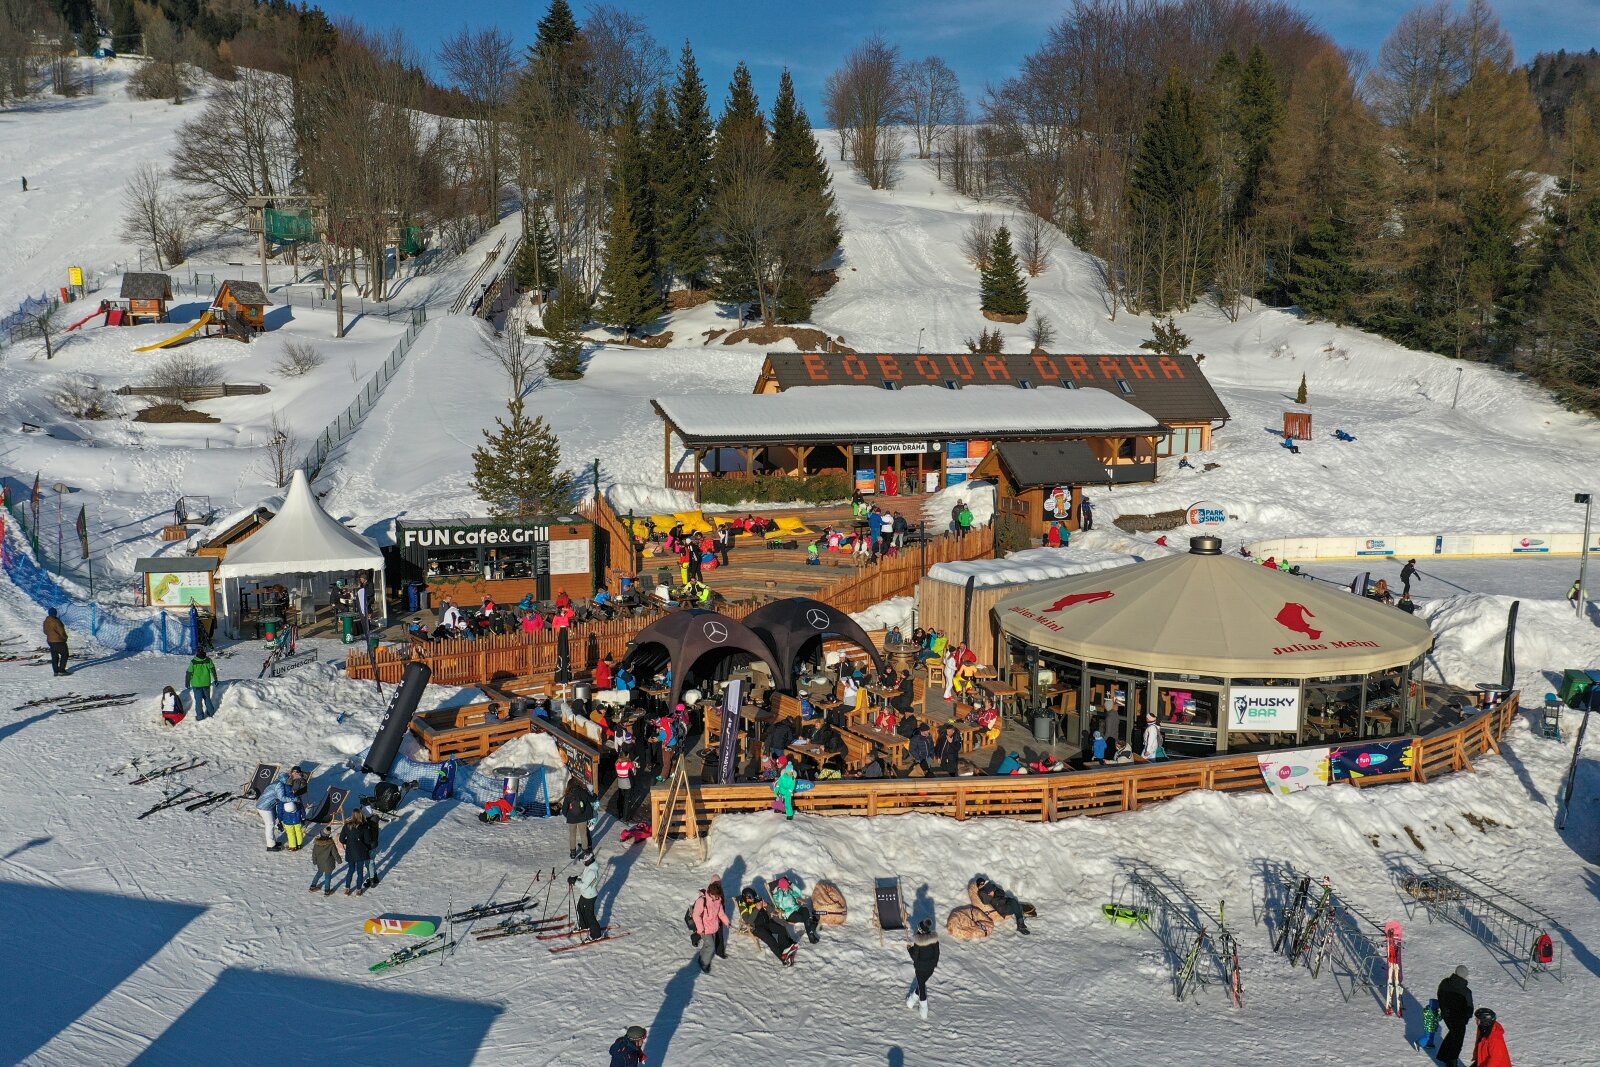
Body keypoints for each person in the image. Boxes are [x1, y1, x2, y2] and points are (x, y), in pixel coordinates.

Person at [737, 887, 798, 965]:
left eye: (753, 898)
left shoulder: (757, 899)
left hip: (768, 922)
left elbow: (772, 910)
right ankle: (783, 958)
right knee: (771, 940)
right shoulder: (742, 906)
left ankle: (785, 950)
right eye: (751, 899)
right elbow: (748, 920)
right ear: (746, 898)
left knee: (782, 929)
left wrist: (766, 906)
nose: (753, 900)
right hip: (757, 928)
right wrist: (757, 909)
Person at [688, 878, 732, 972]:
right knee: (711, 947)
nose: (717, 898)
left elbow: (721, 913)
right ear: (711, 893)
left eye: (718, 897)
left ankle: (701, 956)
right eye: (716, 896)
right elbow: (696, 915)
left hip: (713, 927)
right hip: (704, 928)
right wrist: (700, 929)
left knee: (708, 945)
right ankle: (704, 963)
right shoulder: (702, 901)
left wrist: (727, 922)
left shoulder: (718, 900)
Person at [1437, 964, 1474, 1067]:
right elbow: (1469, 1008)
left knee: (1453, 1034)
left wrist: (1444, 1009)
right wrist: (1466, 1017)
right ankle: (1451, 1063)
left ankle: (1443, 1055)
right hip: (1459, 1020)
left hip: (1447, 1016)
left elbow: (1439, 995)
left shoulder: (1444, 983)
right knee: (1457, 1042)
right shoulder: (1466, 992)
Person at [906, 917, 940, 1020]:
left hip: (920, 969)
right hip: (930, 969)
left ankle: (923, 1010)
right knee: (921, 984)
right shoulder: (934, 940)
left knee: (921, 988)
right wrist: (933, 964)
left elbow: (915, 957)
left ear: (920, 930)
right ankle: (911, 1001)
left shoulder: (918, 942)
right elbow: (937, 954)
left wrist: (909, 949)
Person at [771, 876, 821, 944]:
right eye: (786, 886)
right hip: (788, 913)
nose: (787, 887)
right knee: (806, 918)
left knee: (805, 910)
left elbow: (798, 894)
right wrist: (780, 894)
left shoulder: (789, 891)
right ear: (781, 887)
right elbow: (778, 905)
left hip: (796, 908)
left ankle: (810, 933)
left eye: (788, 886)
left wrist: (792, 885)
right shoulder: (776, 896)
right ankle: (811, 932)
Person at [340, 809, 374, 895]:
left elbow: (341, 839)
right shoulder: (364, 826)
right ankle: (358, 889)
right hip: (361, 852)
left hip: (350, 851)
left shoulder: (347, 825)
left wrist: (349, 842)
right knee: (360, 871)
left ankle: (347, 888)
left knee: (350, 869)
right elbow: (368, 840)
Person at [569, 853, 602, 941]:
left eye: (585, 861)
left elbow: (584, 885)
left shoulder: (592, 872)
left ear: (590, 860)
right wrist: (576, 878)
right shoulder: (589, 867)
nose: (584, 863)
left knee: (589, 915)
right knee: (580, 908)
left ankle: (596, 934)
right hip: (585, 894)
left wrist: (575, 882)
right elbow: (584, 877)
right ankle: (584, 925)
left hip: (590, 896)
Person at [255, 771, 289, 851]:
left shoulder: (276, 782)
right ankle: (270, 846)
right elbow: (282, 798)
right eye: (287, 779)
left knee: (271, 823)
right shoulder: (279, 785)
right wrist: (294, 799)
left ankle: (273, 842)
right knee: (270, 824)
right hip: (264, 807)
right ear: (285, 779)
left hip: (263, 805)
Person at [563, 779, 595, 859]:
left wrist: (569, 815)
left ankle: (573, 853)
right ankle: (585, 852)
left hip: (572, 819)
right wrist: (594, 795)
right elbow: (592, 799)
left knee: (572, 835)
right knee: (583, 835)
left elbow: (564, 809)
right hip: (582, 818)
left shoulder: (568, 794)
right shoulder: (583, 791)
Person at [186, 649, 218, 720]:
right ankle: (211, 712)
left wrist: (187, 682)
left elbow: (189, 673)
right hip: (206, 684)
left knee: (198, 701)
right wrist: (215, 679)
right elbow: (213, 670)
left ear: (197, 653)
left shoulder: (193, 662)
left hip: (196, 685)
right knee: (207, 698)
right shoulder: (208, 660)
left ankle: (200, 717)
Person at [309, 827, 341, 895]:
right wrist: (339, 860)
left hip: (320, 863)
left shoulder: (317, 843)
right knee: (327, 877)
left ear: (321, 834)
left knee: (318, 874)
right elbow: (335, 853)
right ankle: (327, 891)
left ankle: (312, 886)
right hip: (329, 864)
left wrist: (314, 861)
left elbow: (314, 853)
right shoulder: (331, 844)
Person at [43, 608, 69, 676]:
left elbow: (45, 631)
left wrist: (51, 635)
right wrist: (65, 637)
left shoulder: (46, 621)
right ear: (55, 613)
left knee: (54, 656)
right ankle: (62, 670)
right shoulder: (56, 621)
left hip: (50, 641)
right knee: (65, 654)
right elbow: (61, 632)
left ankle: (56, 671)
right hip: (59, 641)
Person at [613, 751, 637, 819]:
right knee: (627, 800)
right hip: (628, 783)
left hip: (620, 783)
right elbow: (634, 773)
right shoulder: (629, 764)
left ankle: (619, 814)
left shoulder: (617, 763)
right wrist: (635, 767)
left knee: (621, 798)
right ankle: (625, 817)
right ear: (627, 756)